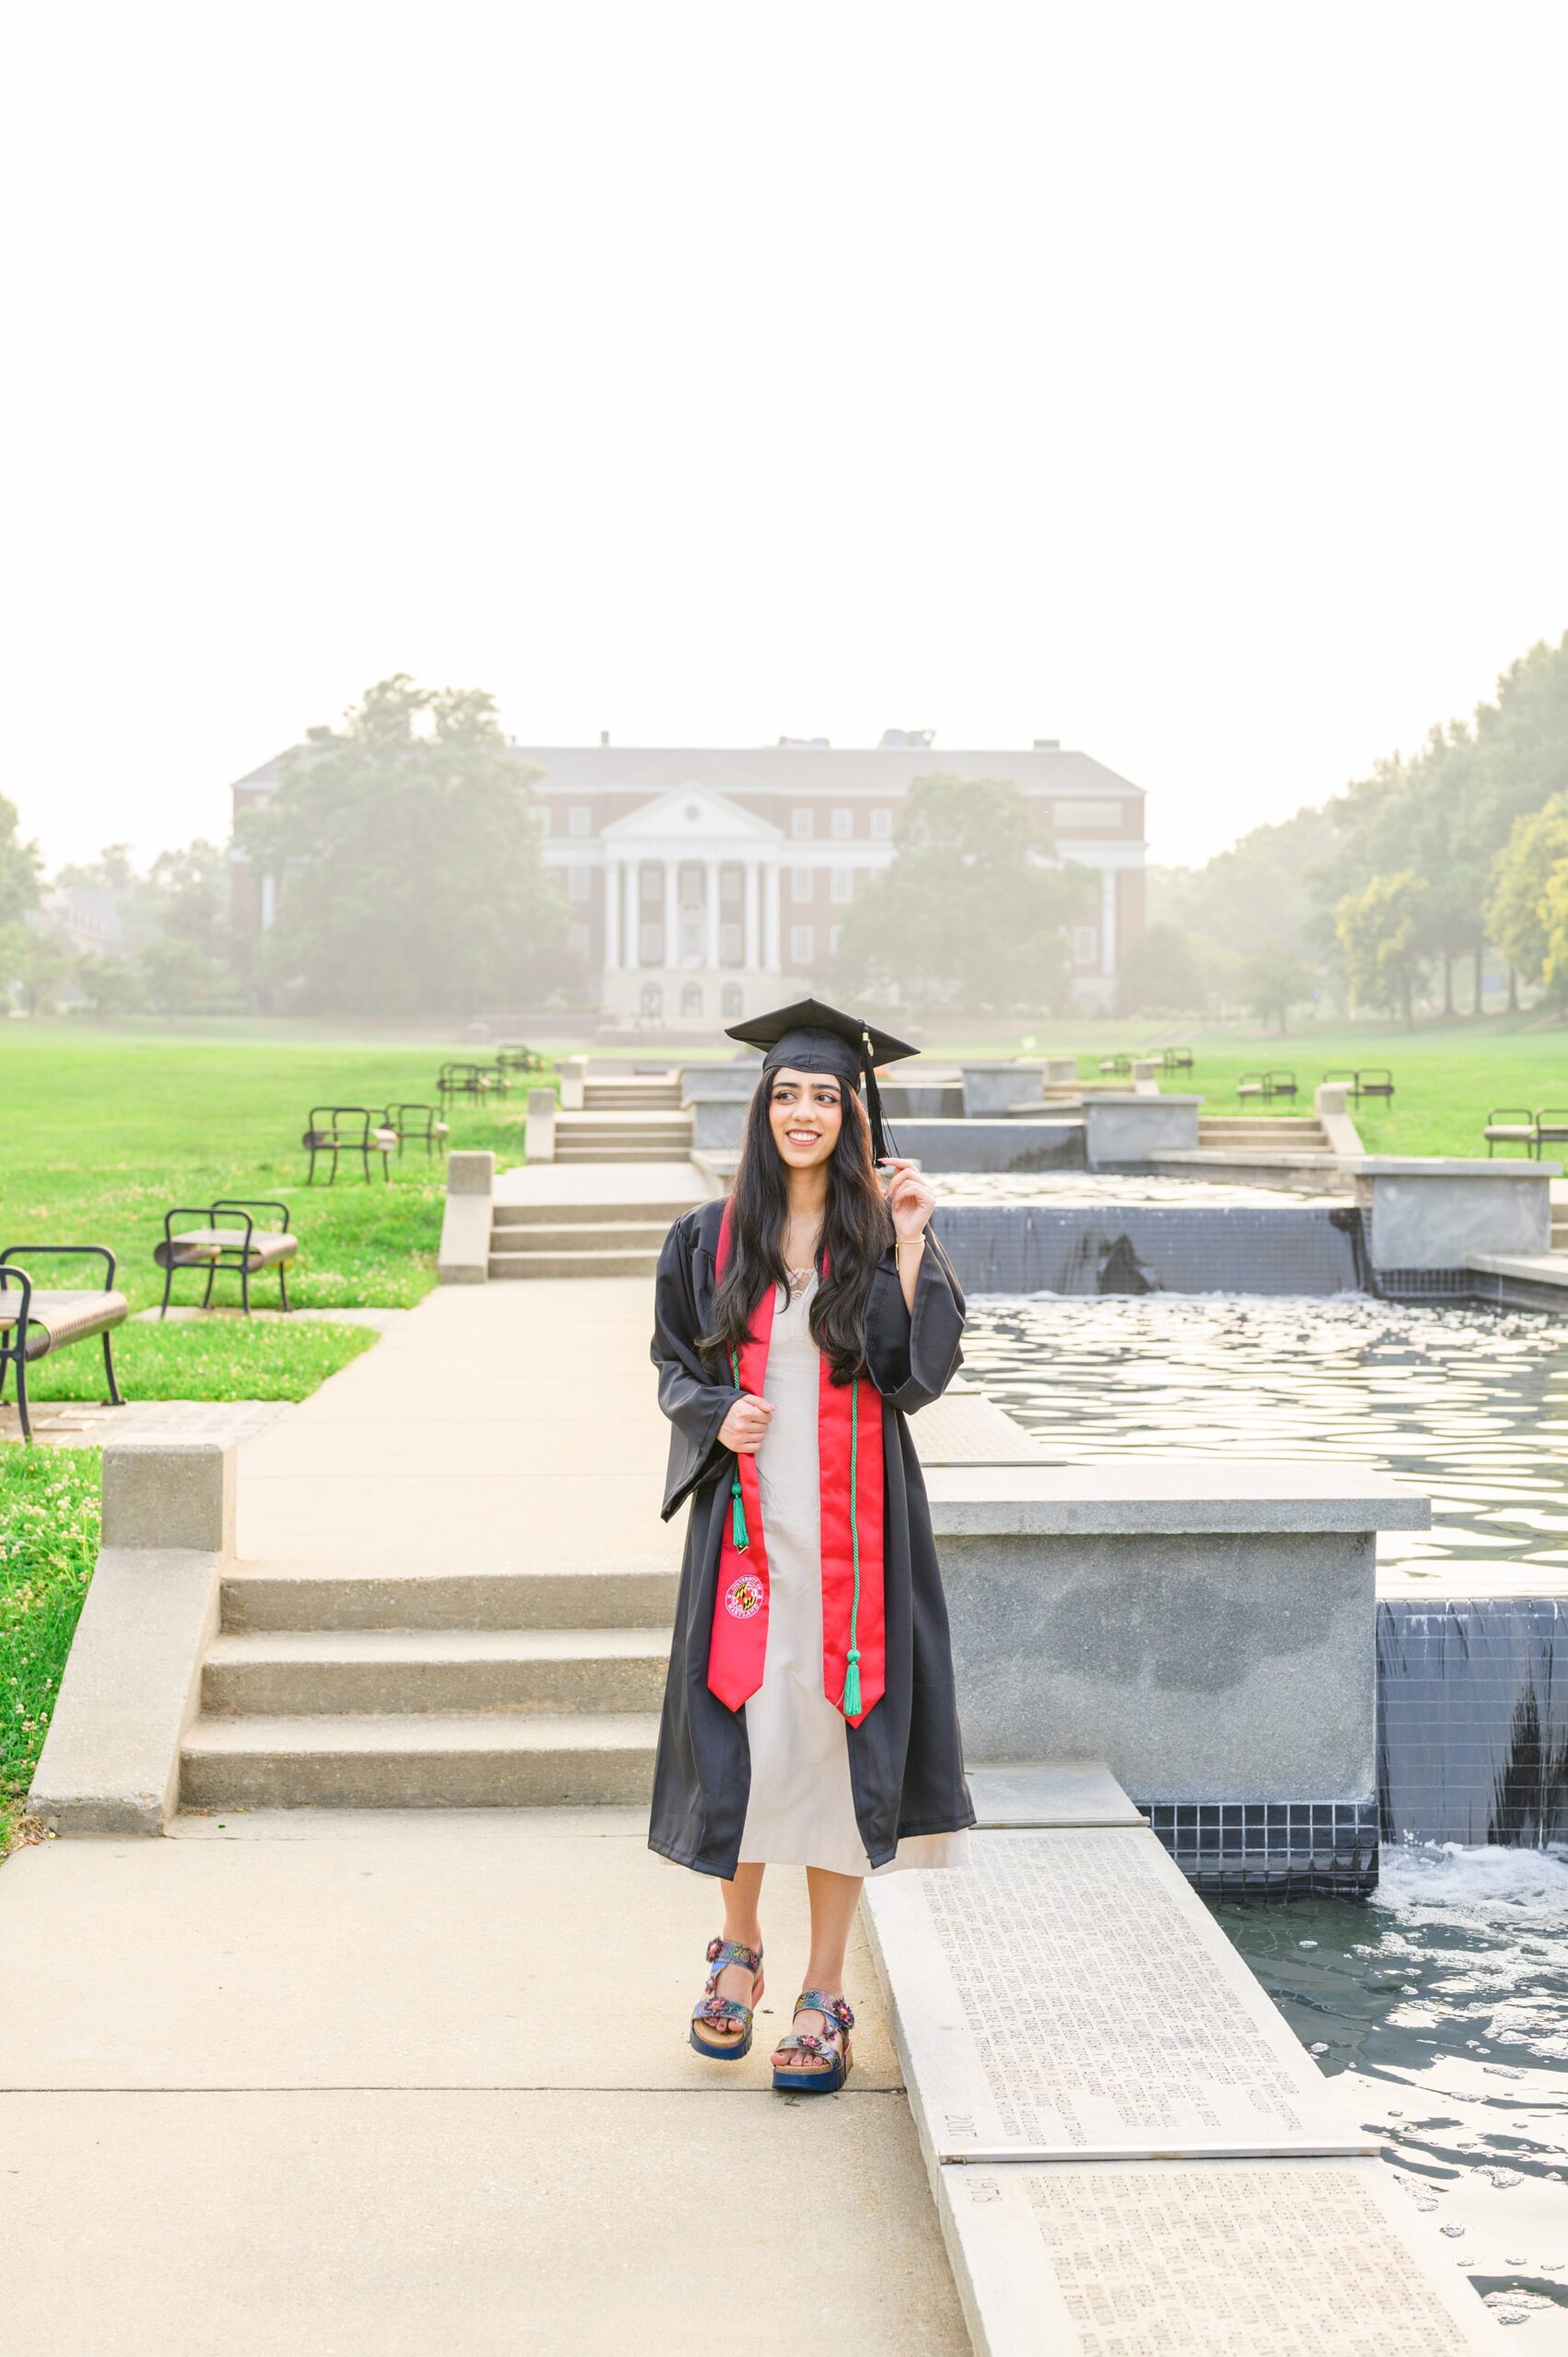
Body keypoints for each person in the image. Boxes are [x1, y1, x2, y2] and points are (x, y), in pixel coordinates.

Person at [648, 996, 974, 2095]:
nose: (802, 1112)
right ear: (762, 1107)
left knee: (835, 1746)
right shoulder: (706, 1238)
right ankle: (736, 1952)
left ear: (852, 1113)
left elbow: (914, 1377)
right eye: (785, 1093)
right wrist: (711, 1412)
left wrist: (915, 1238)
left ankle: (823, 1991)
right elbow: (670, 1369)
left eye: (823, 1096)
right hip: (748, 1535)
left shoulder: (879, 1232)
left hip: (855, 1538)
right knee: (744, 1732)